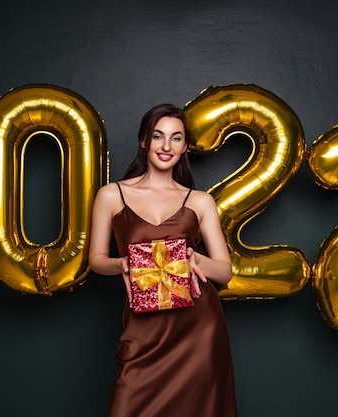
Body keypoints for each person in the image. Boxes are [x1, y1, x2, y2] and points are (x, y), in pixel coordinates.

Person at [89, 103, 238, 416]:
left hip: (198, 329)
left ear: (185, 147)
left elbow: (224, 272)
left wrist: (194, 257)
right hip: (143, 330)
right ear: (144, 141)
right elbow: (97, 260)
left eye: (176, 138)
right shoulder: (111, 195)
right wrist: (121, 264)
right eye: (158, 137)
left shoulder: (199, 201)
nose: (166, 146)